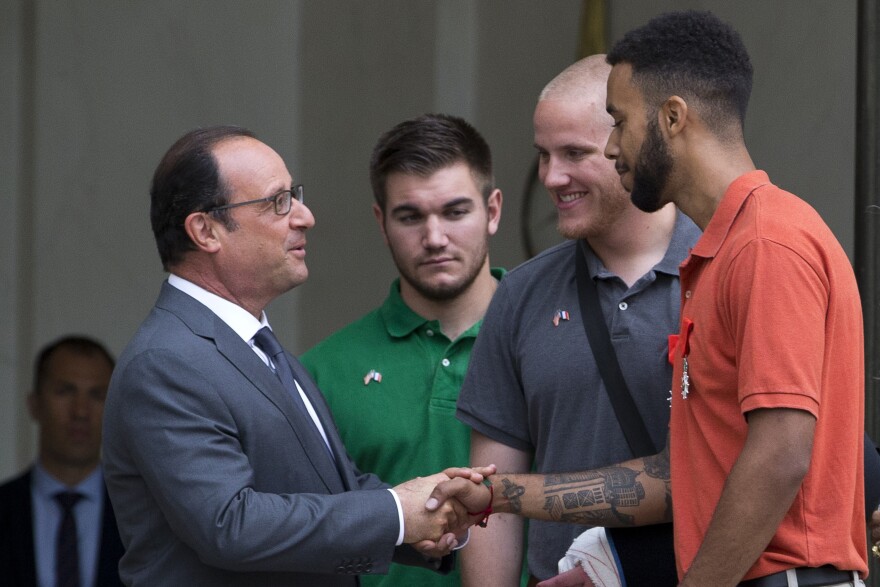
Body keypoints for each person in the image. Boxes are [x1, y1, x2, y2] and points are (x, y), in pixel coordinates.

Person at [437, 10, 867, 586]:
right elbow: (683, 477)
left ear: (671, 118)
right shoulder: (726, 253)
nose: (614, 146)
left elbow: (781, 457)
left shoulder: (766, 243)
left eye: (618, 121)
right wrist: (499, 493)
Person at [101, 125, 489, 586]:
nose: (305, 216)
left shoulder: (256, 344)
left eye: (295, 196)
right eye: (277, 201)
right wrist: (396, 513)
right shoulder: (166, 361)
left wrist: (431, 514)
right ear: (205, 230)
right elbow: (230, 524)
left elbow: (333, 488)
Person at [454, 55, 696, 586]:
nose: (550, 177)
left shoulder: (722, 270)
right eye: (543, 155)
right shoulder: (521, 294)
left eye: (574, 154)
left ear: (630, 146)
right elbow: (493, 493)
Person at [301, 113, 504, 587]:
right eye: (410, 216)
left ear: (492, 210)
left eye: (455, 212)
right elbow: (309, 539)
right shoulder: (321, 372)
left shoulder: (548, 342)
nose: (434, 238)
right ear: (381, 222)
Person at [0, 335, 124, 587]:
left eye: (97, 395)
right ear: (34, 404)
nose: (80, 411)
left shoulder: (144, 518)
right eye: (65, 391)